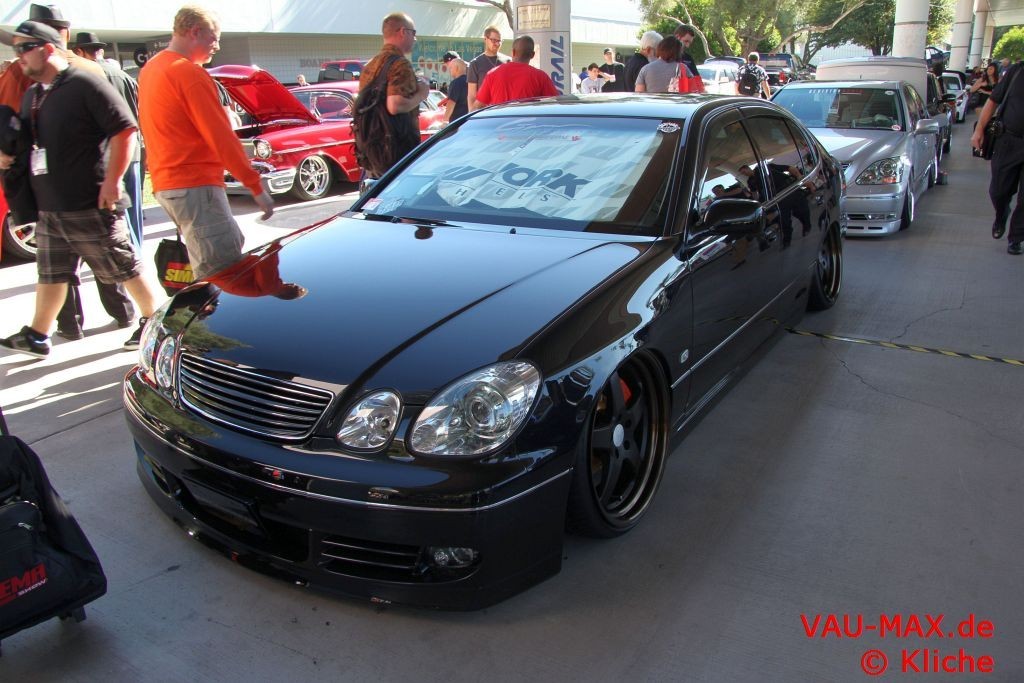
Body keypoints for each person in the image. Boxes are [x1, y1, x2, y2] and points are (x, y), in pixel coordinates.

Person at [0, 21, 164, 358]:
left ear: (47, 48)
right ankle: (38, 335)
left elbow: (125, 130)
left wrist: (113, 181)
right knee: (52, 273)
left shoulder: (84, 83)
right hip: (51, 205)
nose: (18, 57)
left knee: (124, 267)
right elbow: (30, 142)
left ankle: (155, 323)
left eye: (24, 48)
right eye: (15, 49)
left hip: (89, 201)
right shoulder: (35, 94)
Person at [138, 5, 274, 281]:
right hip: (195, 184)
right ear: (195, 32)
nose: (217, 46)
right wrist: (254, 184)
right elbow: (220, 135)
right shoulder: (188, 73)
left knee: (216, 256)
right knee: (224, 271)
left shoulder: (152, 68)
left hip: (169, 184)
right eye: (214, 38)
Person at [356, 12, 428, 176]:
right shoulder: (399, 63)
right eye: (413, 33)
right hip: (397, 149)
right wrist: (421, 94)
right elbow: (395, 105)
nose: (415, 39)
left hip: (372, 148)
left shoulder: (370, 65)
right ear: (403, 32)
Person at [971, 59, 1024, 255]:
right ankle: (1002, 213)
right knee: (998, 191)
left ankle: (1016, 237)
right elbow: (993, 101)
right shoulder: (1017, 72)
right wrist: (979, 131)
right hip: (1008, 140)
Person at [474, 36, 558, 106]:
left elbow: (477, 106)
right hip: (527, 121)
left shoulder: (493, 74)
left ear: (513, 52)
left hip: (499, 121)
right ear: (532, 55)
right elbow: (554, 105)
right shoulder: (541, 77)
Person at [467, 26, 509, 111]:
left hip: (504, 110)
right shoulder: (475, 63)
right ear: (485, 39)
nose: (497, 44)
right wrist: (471, 113)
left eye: (499, 41)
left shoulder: (508, 61)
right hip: (484, 112)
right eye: (494, 40)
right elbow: (472, 95)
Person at [673, 24, 704, 93]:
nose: (687, 46)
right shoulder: (664, 57)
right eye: (686, 41)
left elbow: (697, 80)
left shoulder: (688, 58)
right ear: (677, 37)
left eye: (689, 43)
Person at [442, 51, 467, 124]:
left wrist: (445, 121)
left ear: (456, 68)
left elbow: (451, 103)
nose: (450, 70)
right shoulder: (471, 80)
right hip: (469, 120)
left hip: (457, 122)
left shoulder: (456, 83)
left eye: (451, 68)